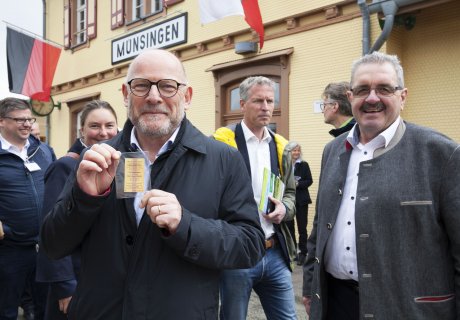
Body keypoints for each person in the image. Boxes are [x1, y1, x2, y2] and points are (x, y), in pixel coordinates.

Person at [40, 49, 265, 319]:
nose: (154, 96)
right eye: (142, 85)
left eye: (168, 86)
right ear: (126, 94)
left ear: (187, 96)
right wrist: (85, 198)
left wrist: (186, 225)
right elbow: (52, 245)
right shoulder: (96, 158)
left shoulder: (223, 160)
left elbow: (250, 245)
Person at [303, 51, 460, 320]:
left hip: (409, 310)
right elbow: (320, 226)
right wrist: (309, 285)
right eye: (362, 89)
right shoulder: (333, 150)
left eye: (384, 88)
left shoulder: (441, 153)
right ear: (350, 97)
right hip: (336, 304)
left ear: (402, 96)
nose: (372, 98)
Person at [214, 76, 297, 320]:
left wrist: (285, 209)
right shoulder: (222, 144)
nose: (266, 107)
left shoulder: (281, 147)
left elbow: (290, 193)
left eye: (270, 101)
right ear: (242, 104)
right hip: (238, 253)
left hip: (274, 252)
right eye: (258, 100)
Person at [36, 100, 118, 319]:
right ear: (81, 131)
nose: (103, 133)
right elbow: (51, 230)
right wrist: (65, 286)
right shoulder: (66, 167)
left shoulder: (122, 166)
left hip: (109, 281)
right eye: (95, 126)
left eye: (109, 125)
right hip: (76, 280)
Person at [0, 97, 56, 320]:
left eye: (29, 119)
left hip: (45, 246)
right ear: (2, 121)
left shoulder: (42, 150)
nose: (26, 124)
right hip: (10, 249)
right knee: (6, 309)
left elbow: (57, 187)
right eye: (19, 120)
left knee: (45, 308)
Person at [285, 141, 312, 266]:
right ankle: (293, 252)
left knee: (302, 228)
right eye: (293, 150)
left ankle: (303, 252)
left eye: (298, 150)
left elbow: (309, 181)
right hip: (288, 201)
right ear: (289, 152)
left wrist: (297, 184)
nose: (296, 153)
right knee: (290, 228)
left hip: (301, 200)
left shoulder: (304, 165)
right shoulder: (285, 165)